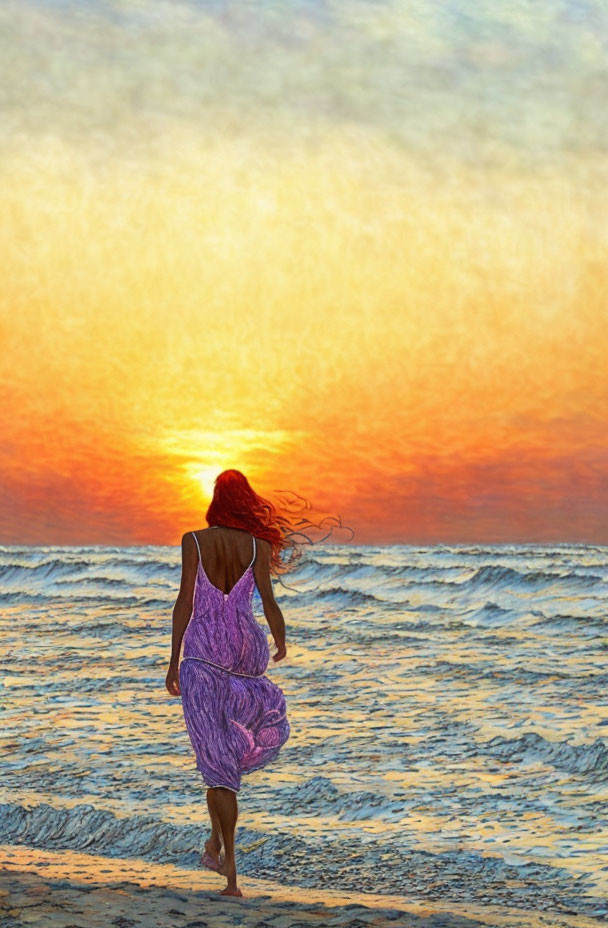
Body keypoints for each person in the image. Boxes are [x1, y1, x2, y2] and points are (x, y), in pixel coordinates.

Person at [165, 470, 293, 898]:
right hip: (243, 655)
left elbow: (185, 601)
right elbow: (268, 602)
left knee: (216, 764)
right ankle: (217, 850)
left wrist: (172, 662)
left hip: (202, 657)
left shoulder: (194, 541)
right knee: (220, 763)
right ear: (244, 501)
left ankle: (229, 869)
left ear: (216, 500)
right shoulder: (257, 545)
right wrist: (280, 640)